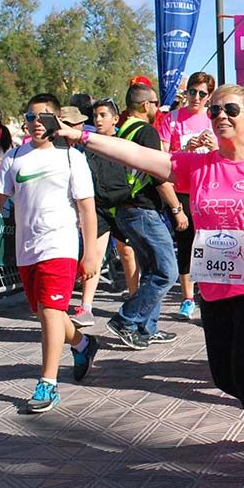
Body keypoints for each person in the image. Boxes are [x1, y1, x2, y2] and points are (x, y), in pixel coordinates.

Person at [57, 83, 244, 488]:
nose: (220, 115)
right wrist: (83, 136)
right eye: (214, 110)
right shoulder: (198, 166)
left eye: (230, 109)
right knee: (225, 377)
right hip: (216, 288)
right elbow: (136, 154)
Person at [0, 94, 100, 413]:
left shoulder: (71, 158)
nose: (37, 123)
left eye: (44, 117)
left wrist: (90, 254)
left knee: (51, 311)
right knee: (47, 312)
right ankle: (83, 343)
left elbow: (87, 208)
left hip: (60, 246)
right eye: (31, 117)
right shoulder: (14, 158)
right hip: (27, 251)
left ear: (56, 121)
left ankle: (48, 383)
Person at [106, 84, 183, 349]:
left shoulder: (123, 131)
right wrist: (176, 209)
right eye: (155, 103)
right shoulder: (146, 131)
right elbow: (158, 173)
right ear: (145, 105)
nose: (157, 109)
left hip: (126, 210)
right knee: (167, 272)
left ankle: (147, 327)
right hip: (142, 210)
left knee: (152, 271)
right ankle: (125, 319)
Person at [71, 98, 140, 327]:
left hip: (122, 206)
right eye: (96, 116)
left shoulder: (124, 143)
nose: (98, 120)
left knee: (127, 253)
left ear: (115, 118)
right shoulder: (87, 144)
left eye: (103, 115)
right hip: (98, 208)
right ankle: (86, 307)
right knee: (93, 254)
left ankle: (134, 300)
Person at [158, 72, 217, 321]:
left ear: (209, 97)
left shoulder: (215, 118)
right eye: (193, 91)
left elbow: (229, 153)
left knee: (210, 243)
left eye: (202, 94)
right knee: (186, 243)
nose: (196, 97)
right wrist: (185, 149)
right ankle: (187, 298)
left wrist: (214, 147)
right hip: (181, 191)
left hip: (210, 189)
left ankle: (210, 293)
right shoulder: (171, 119)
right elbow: (162, 158)